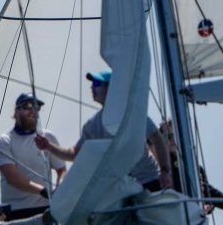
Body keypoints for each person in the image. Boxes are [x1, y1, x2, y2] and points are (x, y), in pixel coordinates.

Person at [34, 71, 172, 191]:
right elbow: (75, 154)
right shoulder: (92, 125)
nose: (91, 88)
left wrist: (165, 170)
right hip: (119, 189)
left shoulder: (134, 114)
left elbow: (157, 139)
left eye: (96, 84)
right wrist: (48, 146)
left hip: (149, 180)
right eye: (92, 84)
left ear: (112, 88)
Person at [0, 92, 66, 225]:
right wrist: (42, 190)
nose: (32, 110)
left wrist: (60, 188)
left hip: (44, 209)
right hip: (16, 211)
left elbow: (61, 170)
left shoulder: (46, 138)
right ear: (16, 111)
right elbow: (12, 176)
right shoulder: (4, 141)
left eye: (36, 107)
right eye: (27, 106)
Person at [159, 119, 223, 212]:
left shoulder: (196, 168)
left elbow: (207, 191)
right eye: (169, 137)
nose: (173, 140)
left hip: (193, 216)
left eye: (176, 136)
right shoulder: (161, 166)